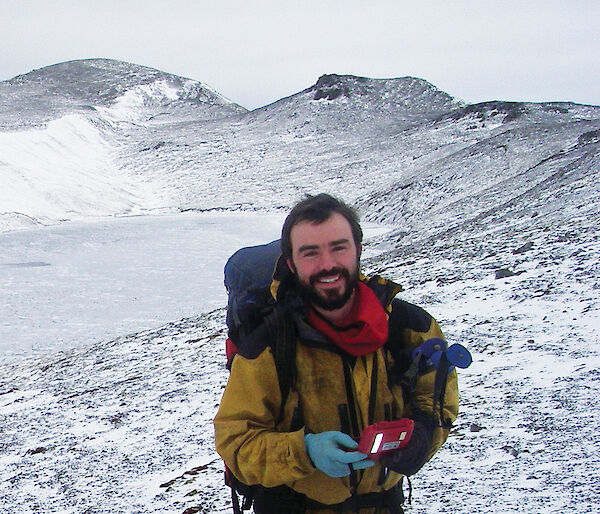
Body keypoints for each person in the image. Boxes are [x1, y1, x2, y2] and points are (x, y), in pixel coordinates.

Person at [214, 193, 459, 513]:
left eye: (338, 247)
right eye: (310, 253)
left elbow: (437, 401)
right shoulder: (270, 347)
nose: (327, 264)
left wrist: (420, 437)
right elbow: (237, 443)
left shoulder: (410, 328)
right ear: (291, 263)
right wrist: (305, 451)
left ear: (357, 250)